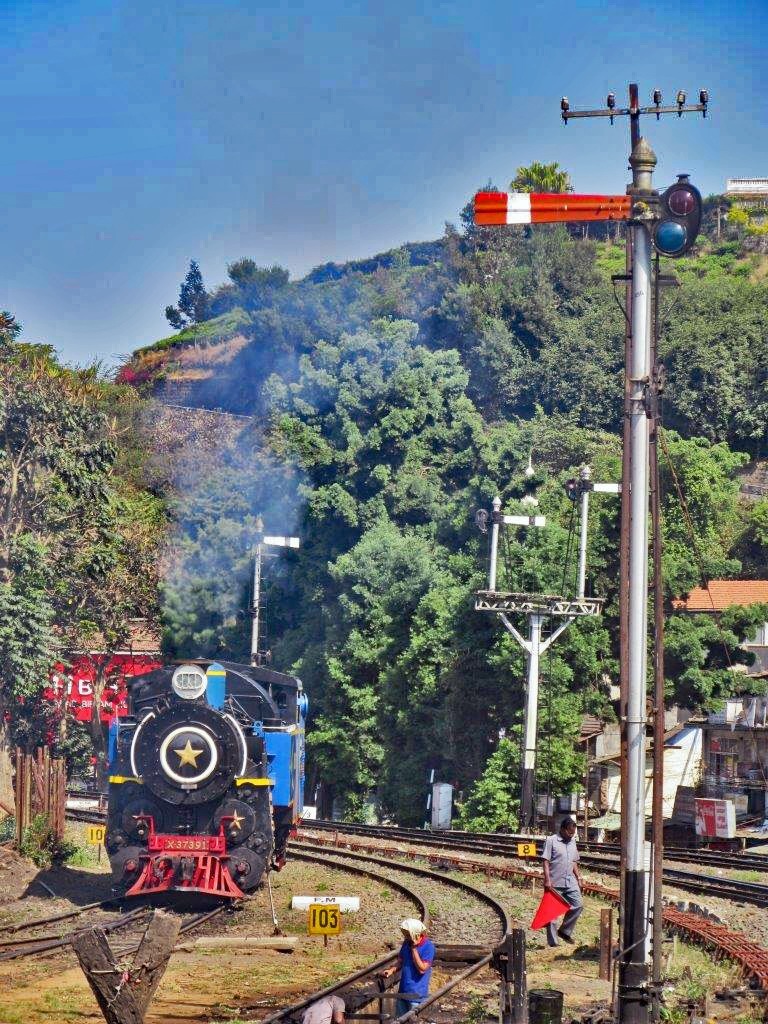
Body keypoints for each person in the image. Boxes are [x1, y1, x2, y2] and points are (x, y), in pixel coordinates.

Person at [542, 816, 583, 947]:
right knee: (552, 915)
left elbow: (574, 861)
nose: (571, 835)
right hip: (554, 882)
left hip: (570, 881)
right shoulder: (551, 841)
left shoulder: (572, 842)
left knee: (578, 905)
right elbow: (545, 861)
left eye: (573, 833)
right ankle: (553, 943)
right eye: (569, 833)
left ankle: (565, 931)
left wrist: (579, 878)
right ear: (562, 829)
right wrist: (547, 880)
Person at [382, 918, 435, 1017]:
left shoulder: (428, 947)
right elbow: (401, 961)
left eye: (407, 935)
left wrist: (414, 949)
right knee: (400, 1019)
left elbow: (422, 969)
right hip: (403, 992)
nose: (405, 937)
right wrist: (391, 970)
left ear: (415, 933)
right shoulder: (406, 943)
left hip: (416, 995)